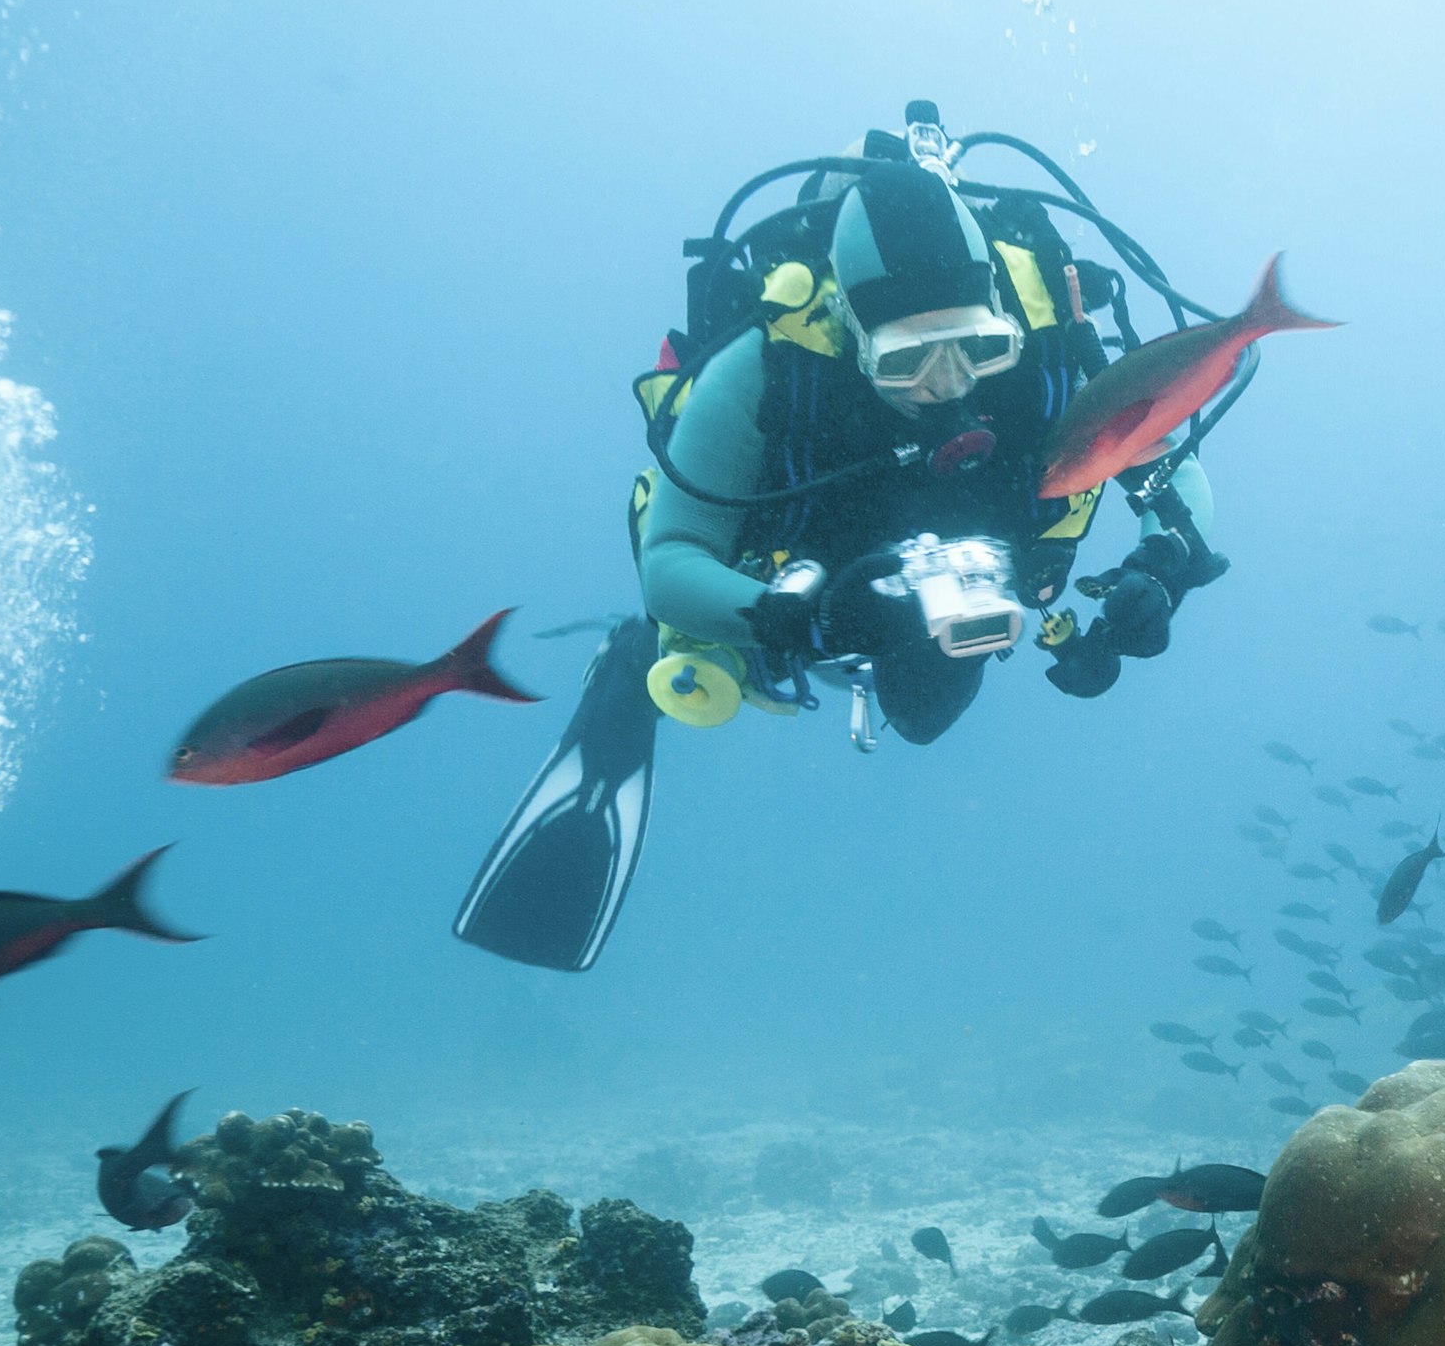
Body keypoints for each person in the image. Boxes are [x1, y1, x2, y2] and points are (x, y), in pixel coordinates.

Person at [457, 106, 1235, 971]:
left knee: (927, 718)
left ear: (1001, 319)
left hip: (978, 581)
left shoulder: (1052, 345)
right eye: (909, 360)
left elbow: (1174, 470)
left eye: (977, 348)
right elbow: (671, 562)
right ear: (853, 335)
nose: (950, 386)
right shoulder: (770, 366)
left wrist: (1162, 566)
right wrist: (804, 620)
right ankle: (634, 676)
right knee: (732, 659)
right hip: (802, 584)